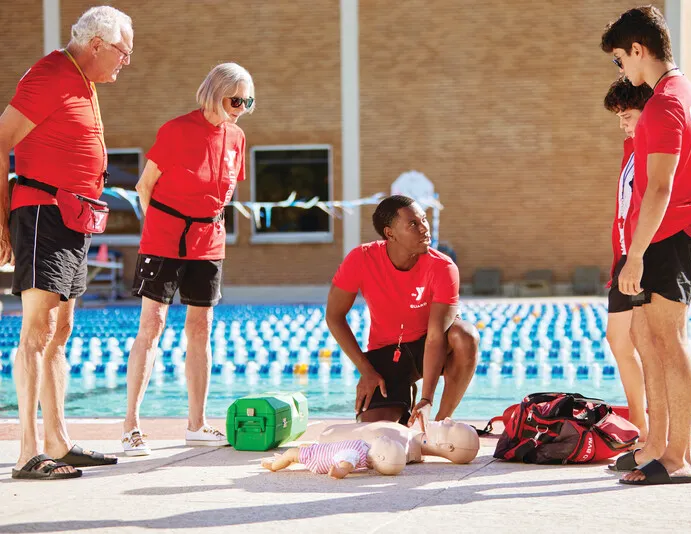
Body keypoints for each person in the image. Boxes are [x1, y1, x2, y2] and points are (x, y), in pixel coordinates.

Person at [0, 6, 132, 480]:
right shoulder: (50, 72)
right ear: (97, 43)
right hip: (42, 214)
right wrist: (1, 219)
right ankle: (27, 452)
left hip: (73, 218)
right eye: (123, 51)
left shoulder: (83, 79)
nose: (125, 60)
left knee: (61, 330)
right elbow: (1, 141)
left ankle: (57, 440)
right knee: (36, 331)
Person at [601, 5, 691, 485]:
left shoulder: (666, 103)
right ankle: (654, 444)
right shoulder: (685, 93)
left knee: (667, 343)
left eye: (620, 59)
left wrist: (635, 254)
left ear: (639, 49)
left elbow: (660, 187)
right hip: (669, 234)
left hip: (667, 237)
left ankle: (678, 458)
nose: (621, 70)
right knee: (646, 340)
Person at [122, 63, 254, 455]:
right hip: (164, 237)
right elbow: (144, 187)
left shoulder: (237, 137)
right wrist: (159, 233)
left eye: (248, 102)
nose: (241, 108)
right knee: (153, 324)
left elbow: (224, 192)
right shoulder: (176, 130)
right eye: (236, 100)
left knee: (201, 327)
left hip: (209, 239)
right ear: (215, 92)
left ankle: (197, 423)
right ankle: (130, 425)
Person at [326, 195, 479, 427]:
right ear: (390, 233)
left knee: (465, 335)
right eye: (413, 224)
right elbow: (334, 316)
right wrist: (366, 370)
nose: (424, 229)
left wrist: (428, 399)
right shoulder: (361, 259)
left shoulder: (443, 267)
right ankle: (403, 403)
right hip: (387, 352)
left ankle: (439, 423)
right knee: (378, 434)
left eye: (424, 220)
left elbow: (436, 336)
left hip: (429, 346)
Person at [602, 77, 653, 444]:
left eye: (628, 114)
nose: (622, 121)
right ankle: (641, 423)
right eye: (619, 115)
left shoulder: (654, 152)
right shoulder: (632, 150)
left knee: (646, 342)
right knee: (618, 338)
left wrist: (636, 256)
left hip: (647, 255)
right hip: (626, 257)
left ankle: (652, 427)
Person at [318, 418, 480, 464]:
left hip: (325, 443)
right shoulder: (410, 439)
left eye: (450, 426)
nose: (447, 419)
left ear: (447, 446)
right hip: (329, 434)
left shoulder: (398, 448)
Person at [261, 436, 406, 479]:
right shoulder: (367, 451)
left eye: (388, 442)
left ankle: (273, 466)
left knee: (291, 453)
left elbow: (346, 466)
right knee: (302, 448)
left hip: (317, 458)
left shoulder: (354, 456)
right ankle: (284, 460)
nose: (387, 438)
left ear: (380, 456)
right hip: (320, 450)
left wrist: (338, 472)